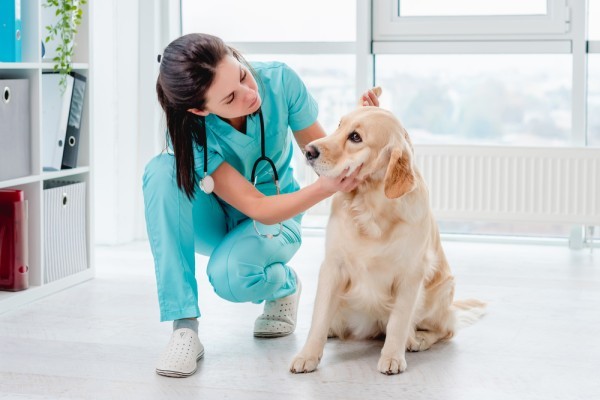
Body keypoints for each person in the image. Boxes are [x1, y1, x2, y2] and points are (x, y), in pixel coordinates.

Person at [142, 33, 380, 378]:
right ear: (199, 109)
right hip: (222, 217)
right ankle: (184, 330)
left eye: (241, 75)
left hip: (278, 215)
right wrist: (325, 189)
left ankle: (284, 285)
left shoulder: (280, 81)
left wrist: (362, 127)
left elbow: (325, 155)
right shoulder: (189, 128)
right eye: (230, 97)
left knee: (229, 276)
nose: (250, 94)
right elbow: (252, 204)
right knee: (161, 170)